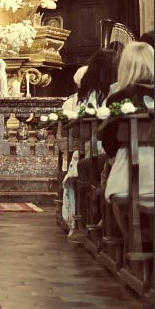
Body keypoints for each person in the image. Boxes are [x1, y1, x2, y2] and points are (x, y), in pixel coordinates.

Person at [61, 49, 119, 236]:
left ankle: (86, 223)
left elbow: (79, 131)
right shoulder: (120, 90)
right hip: (119, 149)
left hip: (101, 149)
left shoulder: (87, 95)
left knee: (84, 165)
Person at [102, 42, 154, 227]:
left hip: (134, 171)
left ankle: (132, 240)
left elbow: (108, 144)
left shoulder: (118, 98)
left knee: (109, 177)